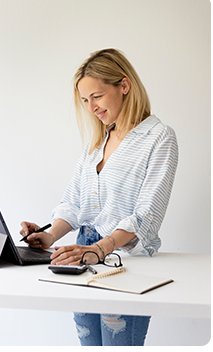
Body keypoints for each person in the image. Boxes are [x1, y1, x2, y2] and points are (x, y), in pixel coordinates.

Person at [20, 48, 179, 346]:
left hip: (122, 262)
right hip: (82, 259)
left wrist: (100, 249)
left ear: (124, 86)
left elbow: (148, 213)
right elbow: (75, 201)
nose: (91, 107)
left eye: (97, 96)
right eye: (84, 100)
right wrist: (50, 235)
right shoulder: (98, 140)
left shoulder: (159, 137)